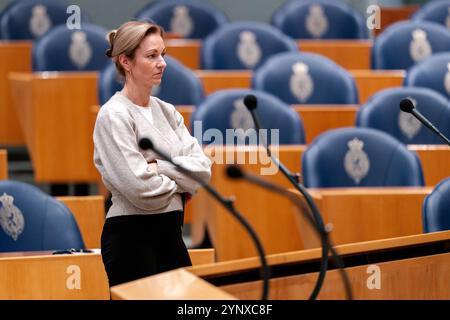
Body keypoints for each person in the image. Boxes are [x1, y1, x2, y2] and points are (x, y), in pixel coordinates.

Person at [93, 21, 212, 287]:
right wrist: (180, 183)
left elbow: (202, 172)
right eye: (151, 56)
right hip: (130, 238)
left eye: (163, 54)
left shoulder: (167, 111)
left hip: (171, 234)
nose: (162, 63)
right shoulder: (114, 115)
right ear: (126, 61)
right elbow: (140, 190)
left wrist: (157, 166)